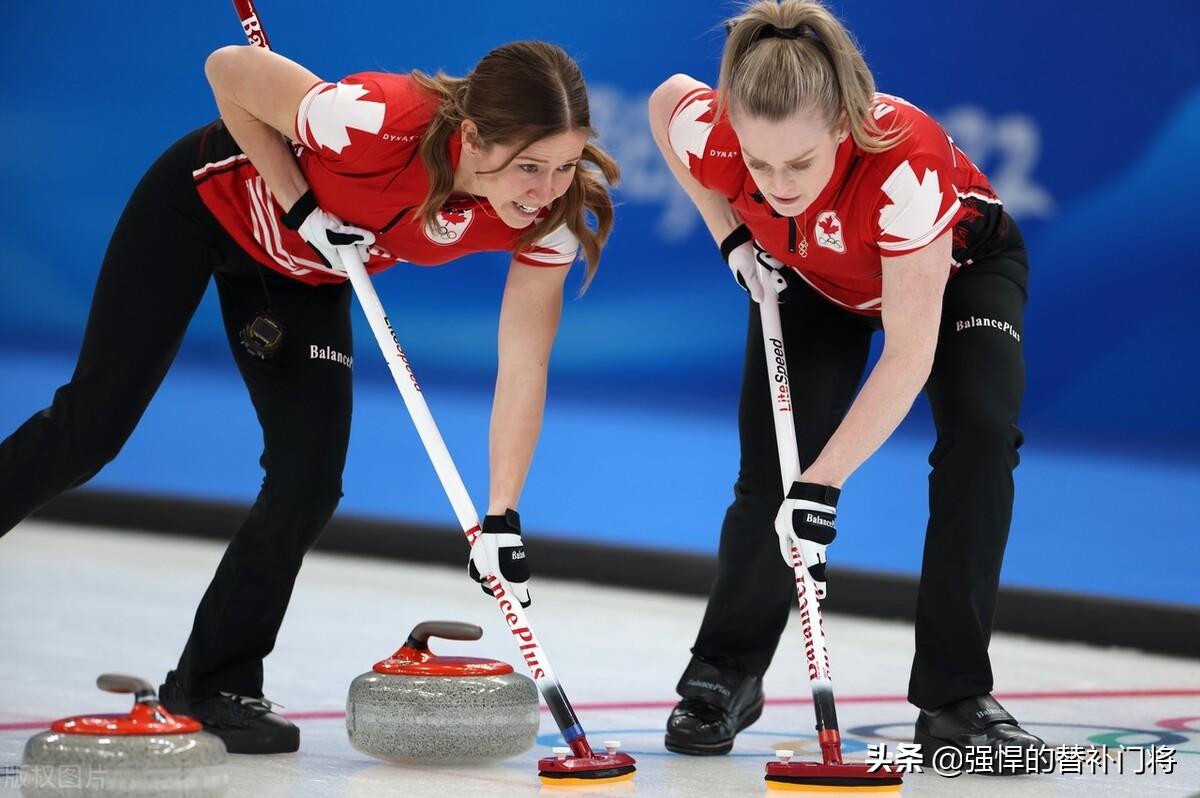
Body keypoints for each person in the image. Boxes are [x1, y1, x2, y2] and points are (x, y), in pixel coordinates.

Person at [0, 40, 617, 754]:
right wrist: (299, 203)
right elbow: (226, 70)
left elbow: (524, 367)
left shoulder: (554, 216)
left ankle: (212, 684)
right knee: (92, 428)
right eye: (529, 167)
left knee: (309, 479)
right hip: (202, 207)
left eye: (565, 165)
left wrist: (501, 516)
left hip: (307, 274)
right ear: (473, 137)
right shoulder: (372, 121)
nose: (545, 190)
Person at [648, 0, 1042, 770]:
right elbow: (666, 104)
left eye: (798, 164)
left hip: (957, 274)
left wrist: (823, 486)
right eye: (759, 165)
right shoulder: (721, 137)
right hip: (812, 278)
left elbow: (909, 353)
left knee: (981, 436)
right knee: (773, 470)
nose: (777, 184)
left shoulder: (904, 164)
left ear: (839, 127)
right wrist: (731, 234)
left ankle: (954, 698)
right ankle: (725, 672)